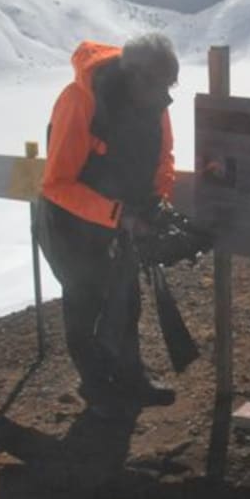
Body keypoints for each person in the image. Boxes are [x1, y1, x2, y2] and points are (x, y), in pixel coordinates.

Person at [38, 34, 181, 419]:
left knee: (126, 299)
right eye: (157, 88)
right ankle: (98, 389)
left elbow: (162, 156)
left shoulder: (153, 99)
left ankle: (132, 379)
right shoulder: (81, 101)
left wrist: (156, 199)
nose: (163, 99)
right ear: (132, 76)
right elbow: (56, 184)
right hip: (70, 223)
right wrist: (118, 214)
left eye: (168, 88)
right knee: (85, 302)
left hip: (122, 218)